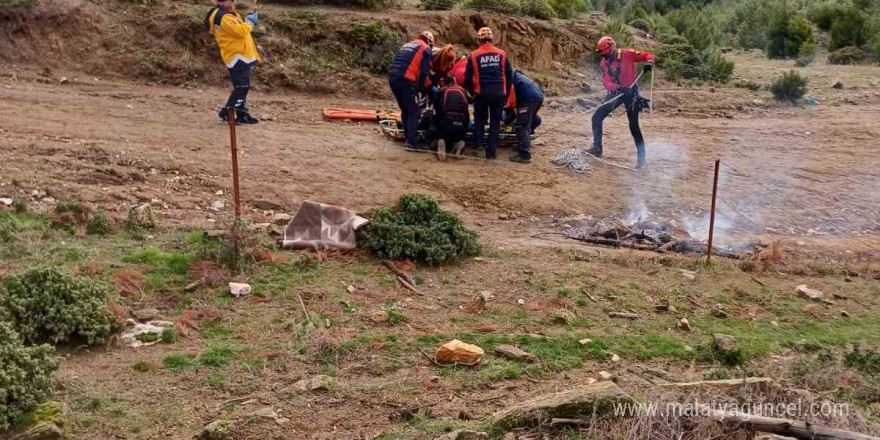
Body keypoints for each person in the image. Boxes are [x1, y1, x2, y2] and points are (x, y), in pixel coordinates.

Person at [586, 35, 654, 170]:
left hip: (631, 94)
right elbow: (606, 81)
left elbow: (648, 55)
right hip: (616, 93)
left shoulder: (627, 54)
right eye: (602, 55)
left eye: (604, 54)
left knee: (634, 127)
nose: (603, 57)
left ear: (612, 49)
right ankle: (597, 148)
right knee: (597, 117)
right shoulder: (604, 63)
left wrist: (649, 62)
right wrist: (617, 87)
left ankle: (642, 161)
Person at [205, 0, 261, 124]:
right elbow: (240, 31)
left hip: (241, 54)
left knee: (241, 86)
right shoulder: (224, 17)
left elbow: (239, 28)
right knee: (242, 87)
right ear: (223, 2)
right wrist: (249, 22)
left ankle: (242, 114)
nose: (233, 3)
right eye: (231, 1)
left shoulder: (228, 13)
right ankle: (227, 113)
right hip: (237, 56)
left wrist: (246, 21)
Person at [464, 27, 513, 161]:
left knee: (479, 119)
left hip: (481, 94)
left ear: (479, 40)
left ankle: (478, 145)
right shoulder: (502, 54)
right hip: (499, 94)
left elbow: (467, 78)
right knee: (495, 123)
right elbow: (510, 75)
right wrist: (506, 94)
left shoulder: (473, 55)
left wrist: (472, 93)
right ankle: (491, 153)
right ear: (491, 39)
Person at [388, 31, 435, 151]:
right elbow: (424, 73)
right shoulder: (426, 49)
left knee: (406, 109)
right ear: (429, 42)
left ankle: (408, 137)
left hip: (393, 77)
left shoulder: (407, 45)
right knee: (414, 111)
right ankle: (412, 142)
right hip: (406, 80)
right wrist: (424, 88)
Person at [504, 69, 544, 163]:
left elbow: (512, 101)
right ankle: (524, 143)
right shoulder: (522, 79)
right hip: (538, 96)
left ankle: (524, 155)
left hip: (527, 98)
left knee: (521, 125)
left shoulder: (510, 77)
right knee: (531, 120)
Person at [431, 77, 470, 161]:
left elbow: (437, 111)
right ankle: (461, 142)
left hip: (447, 121)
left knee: (439, 130)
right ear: (454, 82)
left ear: (444, 83)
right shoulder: (463, 91)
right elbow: (467, 109)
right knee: (461, 134)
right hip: (462, 122)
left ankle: (441, 141)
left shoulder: (441, 91)